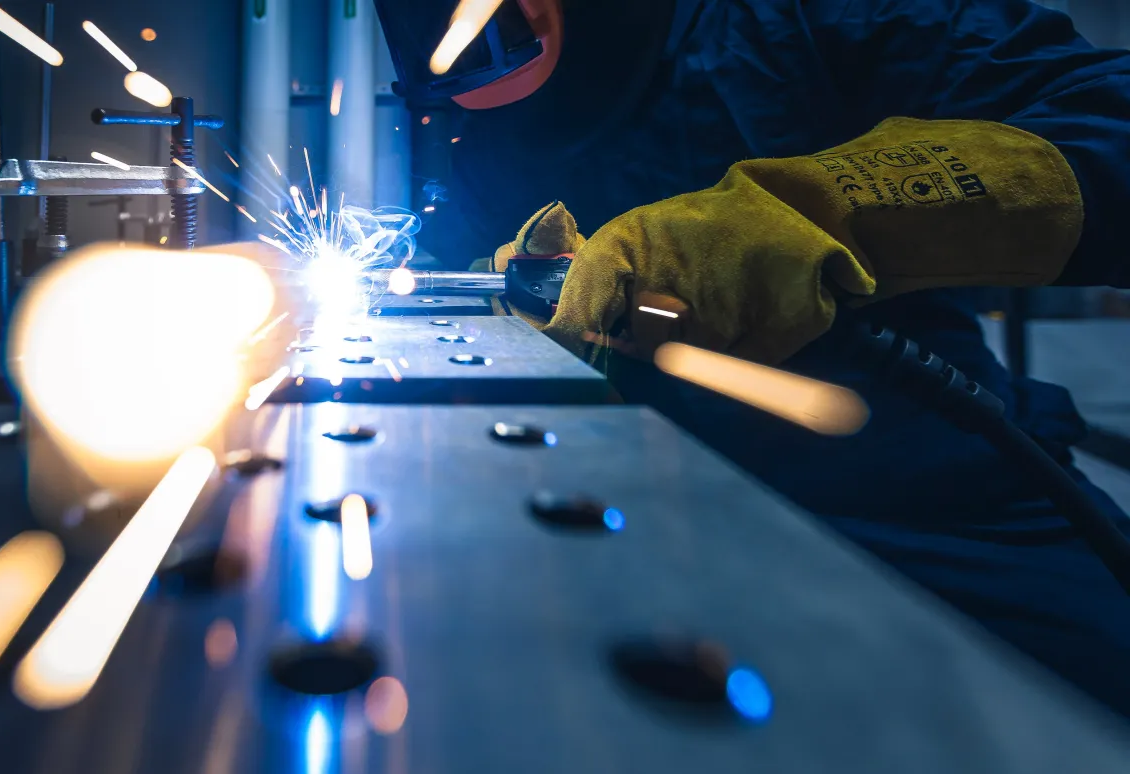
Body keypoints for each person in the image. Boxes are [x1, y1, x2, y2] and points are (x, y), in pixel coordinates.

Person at [377, 0, 1130, 715]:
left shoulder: (815, 16)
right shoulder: (464, 98)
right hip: (619, 501)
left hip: (925, 500)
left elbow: (1112, 120)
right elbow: (476, 260)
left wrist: (827, 210)